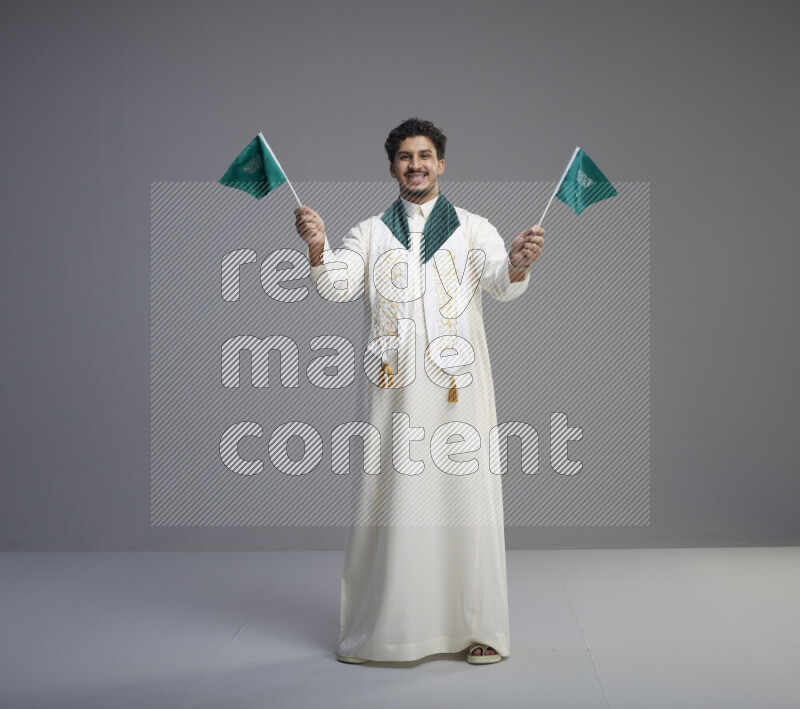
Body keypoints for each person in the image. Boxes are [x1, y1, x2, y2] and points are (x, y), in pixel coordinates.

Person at [294, 118, 544, 665]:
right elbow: (337, 285)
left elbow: (501, 283)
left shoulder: (474, 228)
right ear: (392, 168)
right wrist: (316, 247)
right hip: (394, 396)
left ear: (442, 164)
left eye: (425, 155)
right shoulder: (369, 233)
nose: (416, 165)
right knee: (393, 505)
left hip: (459, 392)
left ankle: (479, 629)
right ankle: (390, 629)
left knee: (465, 502)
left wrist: (520, 261)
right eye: (405, 157)